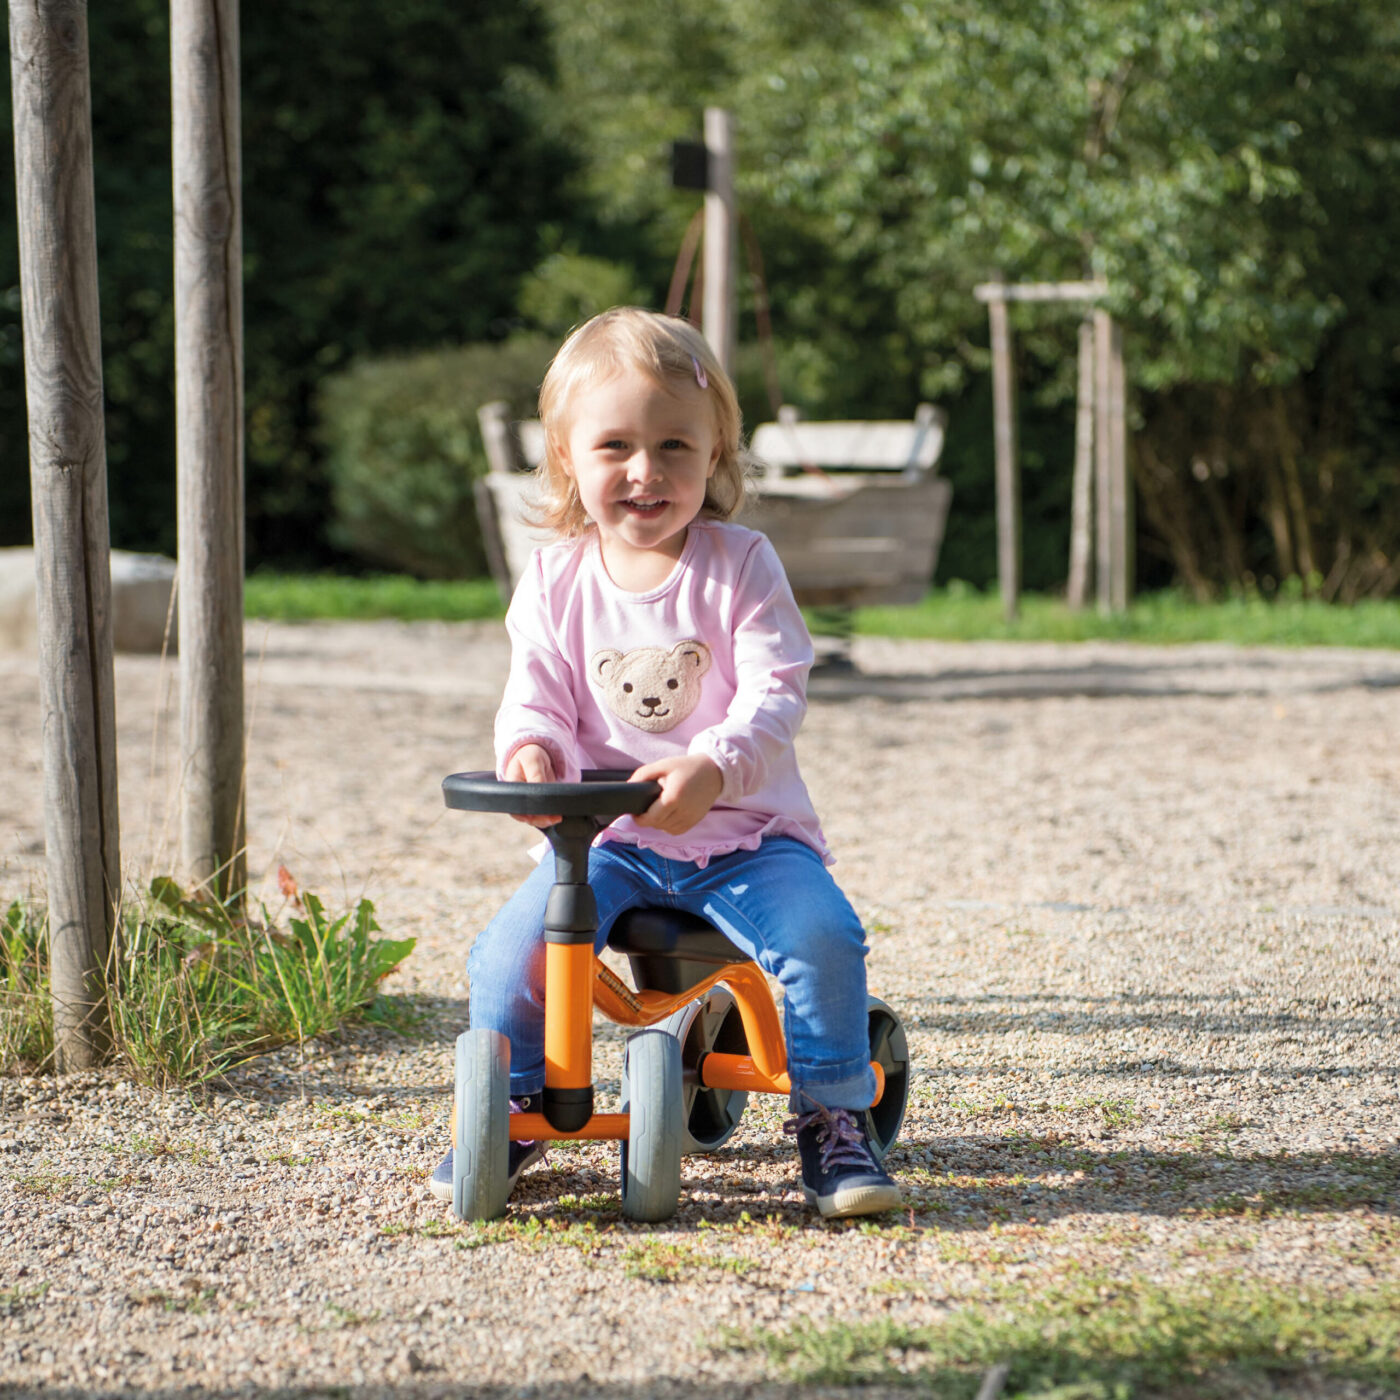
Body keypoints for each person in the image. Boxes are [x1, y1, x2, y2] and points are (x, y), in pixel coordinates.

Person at [430, 308, 901, 1218]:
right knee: (507, 958)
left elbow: (777, 690)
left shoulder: (740, 566)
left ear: (716, 452)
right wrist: (530, 752)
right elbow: (536, 694)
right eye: (616, 446)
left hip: (746, 836)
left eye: (675, 446)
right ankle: (520, 1105)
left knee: (821, 939)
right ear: (567, 459)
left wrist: (717, 767)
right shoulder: (555, 580)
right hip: (603, 845)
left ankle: (835, 1118)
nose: (647, 471)